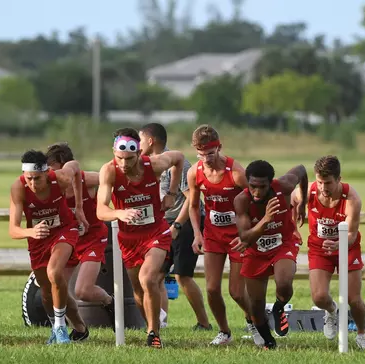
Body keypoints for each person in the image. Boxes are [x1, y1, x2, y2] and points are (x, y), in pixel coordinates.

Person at [97, 127, 185, 348]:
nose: (124, 164)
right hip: (129, 239)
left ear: (139, 153)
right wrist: (119, 213)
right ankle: (151, 328)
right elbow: (100, 209)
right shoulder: (108, 171)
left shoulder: (153, 165)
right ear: (113, 153)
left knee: (148, 278)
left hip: (156, 232)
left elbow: (179, 158)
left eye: (129, 159)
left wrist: (172, 194)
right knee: (137, 289)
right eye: (120, 158)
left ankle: (154, 333)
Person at [9, 148, 90, 344]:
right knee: (46, 290)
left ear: (47, 173)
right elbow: (13, 229)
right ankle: (73, 327)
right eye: (29, 178)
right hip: (37, 239)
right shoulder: (18, 188)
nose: (33, 184)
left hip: (64, 230)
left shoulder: (60, 178)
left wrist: (78, 208)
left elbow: (76, 168)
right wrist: (31, 232)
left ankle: (61, 326)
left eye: (38, 178)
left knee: (55, 273)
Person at [187, 125, 258, 346]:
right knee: (211, 288)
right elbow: (193, 206)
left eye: (210, 153)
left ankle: (256, 322)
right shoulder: (195, 173)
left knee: (236, 292)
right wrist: (197, 234)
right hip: (213, 236)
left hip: (237, 238)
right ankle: (224, 331)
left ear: (219, 148)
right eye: (200, 154)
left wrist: (247, 235)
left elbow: (255, 204)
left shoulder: (236, 173)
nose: (205, 158)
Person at [139, 123, 212, 332]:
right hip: (167, 223)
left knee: (182, 276)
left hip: (186, 222)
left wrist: (178, 225)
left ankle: (204, 323)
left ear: (151, 141)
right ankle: (160, 323)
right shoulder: (150, 164)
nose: (138, 144)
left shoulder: (175, 162)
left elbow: (192, 199)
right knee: (157, 276)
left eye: (141, 140)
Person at [291, 156, 365, 349]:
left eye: (328, 183)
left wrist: (340, 243)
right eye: (319, 182)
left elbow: (351, 234)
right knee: (318, 297)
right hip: (319, 248)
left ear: (338, 179)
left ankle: (362, 332)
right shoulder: (308, 190)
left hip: (348, 248)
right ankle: (332, 311)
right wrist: (294, 223)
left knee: (354, 299)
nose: (323, 188)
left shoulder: (352, 199)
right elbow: (291, 199)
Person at [234, 160, 307, 350]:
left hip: (283, 243)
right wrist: (266, 219)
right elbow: (245, 237)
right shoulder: (242, 200)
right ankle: (269, 342)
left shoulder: (284, 186)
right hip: (255, 251)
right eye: (253, 186)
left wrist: (303, 203)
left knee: (283, 283)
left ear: (271, 183)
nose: (257, 192)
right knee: (256, 306)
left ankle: (279, 306)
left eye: (262, 187)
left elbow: (302, 169)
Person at [46, 142, 115, 335]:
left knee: (83, 290)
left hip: (93, 237)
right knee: (56, 285)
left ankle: (109, 302)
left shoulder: (87, 180)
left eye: (53, 169)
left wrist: (107, 204)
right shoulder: (52, 185)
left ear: (64, 165)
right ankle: (78, 327)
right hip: (69, 239)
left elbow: (113, 178)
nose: (52, 174)